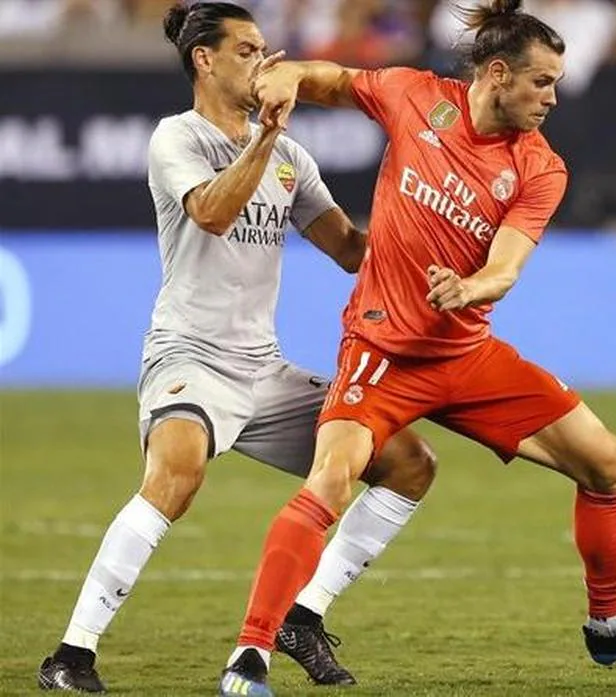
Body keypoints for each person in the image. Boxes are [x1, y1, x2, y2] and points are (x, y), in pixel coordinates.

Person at [217, 1, 616, 694]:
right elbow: (335, 79)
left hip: (465, 354)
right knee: (333, 480)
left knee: (612, 464)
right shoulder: (413, 97)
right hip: (381, 349)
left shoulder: (541, 168)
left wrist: (472, 286)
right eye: (541, 82)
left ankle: (609, 627)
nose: (552, 96)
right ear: (497, 74)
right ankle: (251, 654)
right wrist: (294, 77)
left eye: (554, 83)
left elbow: (509, 264)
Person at [37, 2, 437, 692]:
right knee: (177, 472)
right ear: (206, 59)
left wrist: (419, 224)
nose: (265, 62)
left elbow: (349, 249)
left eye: (265, 49)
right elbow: (213, 213)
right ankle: (72, 655)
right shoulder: (176, 138)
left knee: (408, 461)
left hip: (263, 369)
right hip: (189, 356)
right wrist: (264, 140)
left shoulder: (290, 157)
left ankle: (303, 615)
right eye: (248, 50)